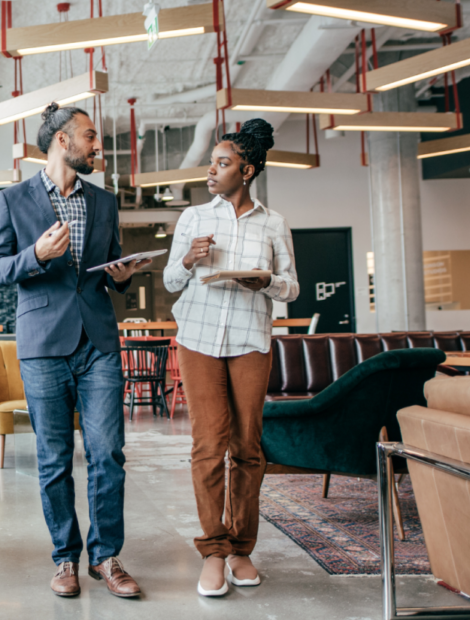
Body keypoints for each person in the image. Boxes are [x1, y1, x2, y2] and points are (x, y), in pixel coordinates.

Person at [0, 102, 150, 599]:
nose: (98, 146)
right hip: (42, 346)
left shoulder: (104, 203)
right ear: (62, 141)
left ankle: (106, 557)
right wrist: (35, 256)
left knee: (108, 455)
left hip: (98, 340)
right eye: (90, 136)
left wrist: (123, 275)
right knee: (54, 459)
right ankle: (64, 558)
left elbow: (109, 269)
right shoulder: (12, 200)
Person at [163, 118, 299, 598]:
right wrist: (187, 261)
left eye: (222, 163)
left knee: (246, 449)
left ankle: (242, 548)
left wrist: (267, 282)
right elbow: (169, 283)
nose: (211, 171)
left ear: (248, 170)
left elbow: (292, 286)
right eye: (212, 163)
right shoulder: (194, 219)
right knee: (207, 447)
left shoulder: (273, 223)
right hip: (198, 340)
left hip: (249, 341)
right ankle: (213, 551)